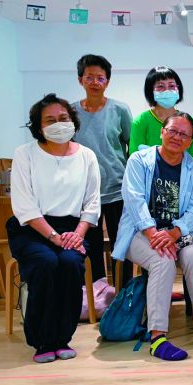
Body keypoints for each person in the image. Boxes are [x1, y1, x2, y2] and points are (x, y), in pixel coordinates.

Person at [113, 111, 193, 360]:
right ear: (162, 132)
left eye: (184, 134)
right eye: (172, 131)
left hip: (178, 230)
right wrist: (154, 234)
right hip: (141, 231)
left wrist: (174, 233)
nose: (177, 137)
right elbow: (134, 200)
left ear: (190, 141)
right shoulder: (139, 160)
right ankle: (157, 337)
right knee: (162, 261)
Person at [7, 94, 100, 363]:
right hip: (32, 228)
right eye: (50, 120)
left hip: (73, 229)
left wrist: (78, 233)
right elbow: (24, 206)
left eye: (64, 119)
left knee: (71, 264)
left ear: (73, 121)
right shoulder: (24, 154)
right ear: (38, 125)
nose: (59, 124)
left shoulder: (87, 156)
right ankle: (42, 341)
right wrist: (53, 236)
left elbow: (92, 202)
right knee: (46, 263)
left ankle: (62, 338)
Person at [72, 54, 133, 284]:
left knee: (122, 244)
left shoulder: (120, 110)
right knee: (92, 247)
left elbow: (131, 147)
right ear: (80, 80)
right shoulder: (71, 112)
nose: (95, 82)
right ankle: (98, 294)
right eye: (89, 77)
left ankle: (123, 291)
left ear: (107, 81)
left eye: (100, 78)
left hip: (117, 189)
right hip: (85, 193)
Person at [129, 66, 193, 159]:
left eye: (171, 86)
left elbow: (192, 160)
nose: (167, 90)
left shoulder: (192, 123)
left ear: (178, 89)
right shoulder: (141, 122)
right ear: (151, 91)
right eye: (160, 86)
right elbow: (135, 159)